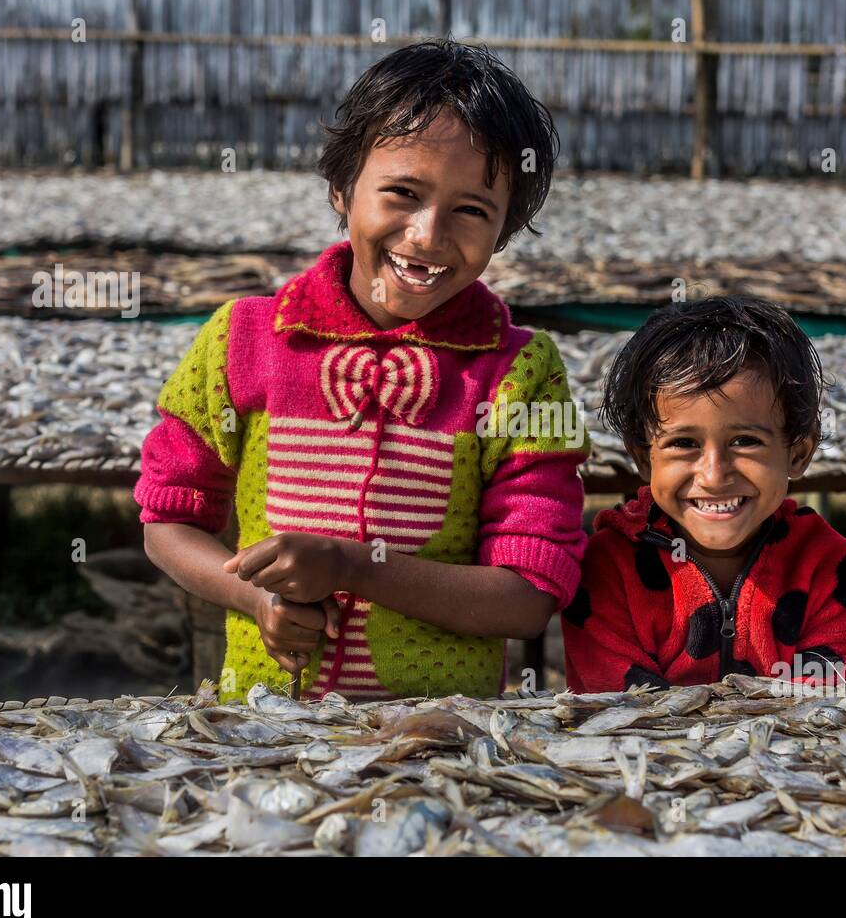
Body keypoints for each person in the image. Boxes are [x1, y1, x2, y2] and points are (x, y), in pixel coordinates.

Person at [137, 40, 588, 702]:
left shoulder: (520, 372)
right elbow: (167, 521)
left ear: (504, 230)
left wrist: (351, 566)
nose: (428, 235)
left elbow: (526, 598)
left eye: (471, 210)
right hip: (265, 733)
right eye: (402, 193)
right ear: (342, 190)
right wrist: (256, 599)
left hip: (441, 740)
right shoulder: (244, 339)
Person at [562, 297, 846, 693]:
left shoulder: (831, 568)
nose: (714, 474)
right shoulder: (608, 570)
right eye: (683, 443)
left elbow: (822, 709)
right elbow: (623, 715)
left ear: (798, 453)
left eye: (745, 441)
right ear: (643, 457)